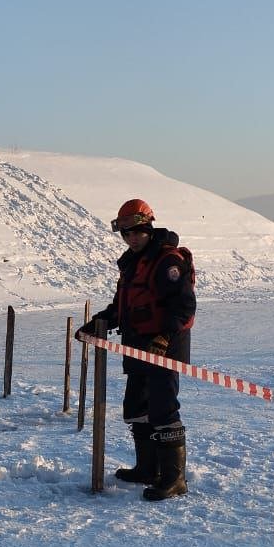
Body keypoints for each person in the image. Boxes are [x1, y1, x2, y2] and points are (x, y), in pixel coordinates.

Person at [77, 198, 196, 500]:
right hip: (137, 348)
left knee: (163, 409)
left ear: (149, 227)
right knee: (137, 409)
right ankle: (148, 468)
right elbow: (123, 308)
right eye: (126, 234)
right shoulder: (132, 263)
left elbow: (183, 308)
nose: (132, 238)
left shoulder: (168, 261)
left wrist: (163, 341)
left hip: (163, 349)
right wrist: (97, 324)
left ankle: (173, 479)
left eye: (137, 232)